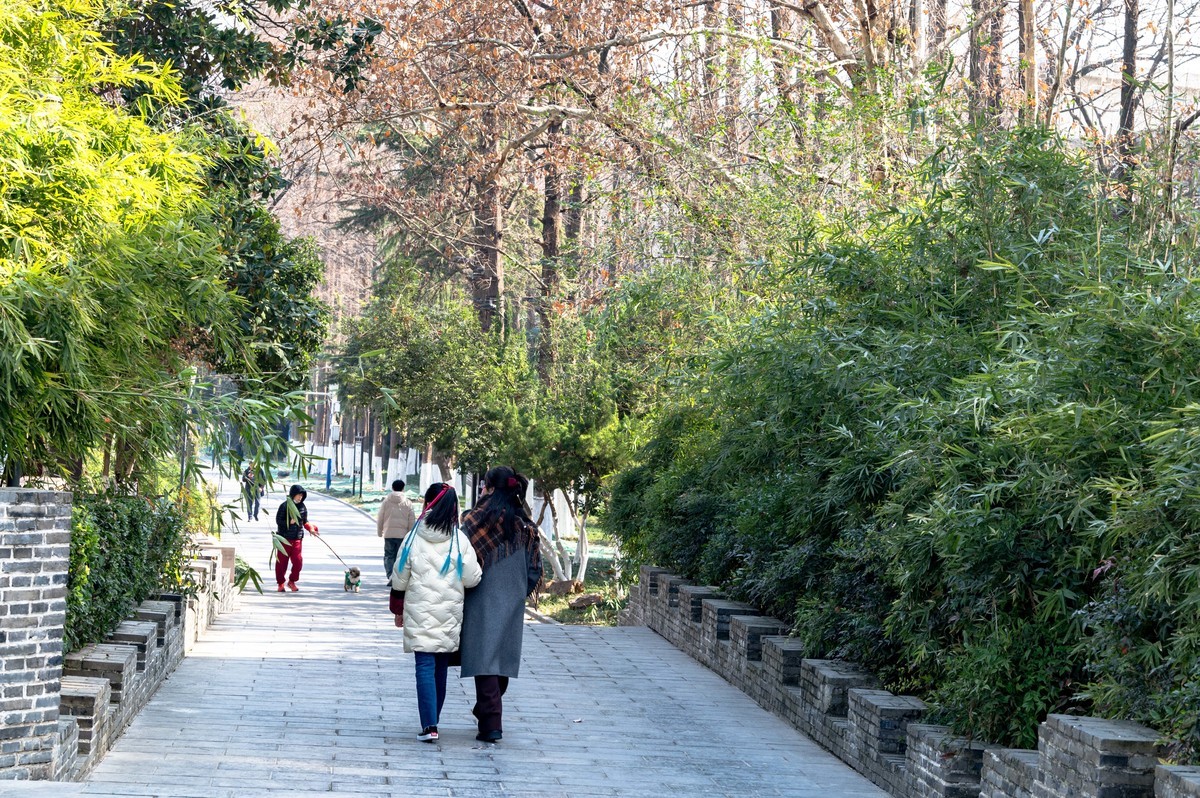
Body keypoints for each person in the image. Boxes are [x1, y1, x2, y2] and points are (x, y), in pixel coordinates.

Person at [391, 483, 482, 743]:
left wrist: (397, 606)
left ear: (427, 504)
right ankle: (434, 722)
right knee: (440, 667)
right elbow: (472, 578)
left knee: (424, 665)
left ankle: (429, 724)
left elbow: (399, 578)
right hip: (449, 613)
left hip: (419, 610)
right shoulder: (459, 540)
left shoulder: (413, 537)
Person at [459, 466, 542, 743]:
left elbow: (460, 557)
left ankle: (491, 724)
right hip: (512, 599)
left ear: (492, 489)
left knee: (485, 660)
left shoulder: (473, 521)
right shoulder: (525, 526)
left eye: (484, 486)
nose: (481, 491)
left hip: (479, 595)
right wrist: (519, 592)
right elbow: (534, 569)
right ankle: (488, 714)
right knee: (499, 659)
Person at [274, 484, 319, 593]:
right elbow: (278, 521)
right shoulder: (284, 506)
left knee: (298, 562)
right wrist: (289, 522)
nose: (300, 497)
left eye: (302, 495)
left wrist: (311, 529)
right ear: (293, 495)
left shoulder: (303, 507)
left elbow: (305, 521)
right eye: (298, 495)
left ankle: (292, 581)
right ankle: (280, 583)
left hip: (297, 539)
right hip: (284, 539)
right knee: (281, 564)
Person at [377, 479, 418, 578]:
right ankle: (398, 576)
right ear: (403, 489)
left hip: (388, 534)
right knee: (400, 556)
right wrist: (411, 534)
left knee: (389, 555)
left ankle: (390, 574)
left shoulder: (386, 502)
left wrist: (379, 531)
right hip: (402, 535)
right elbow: (412, 519)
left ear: (392, 488)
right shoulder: (408, 503)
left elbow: (380, 517)